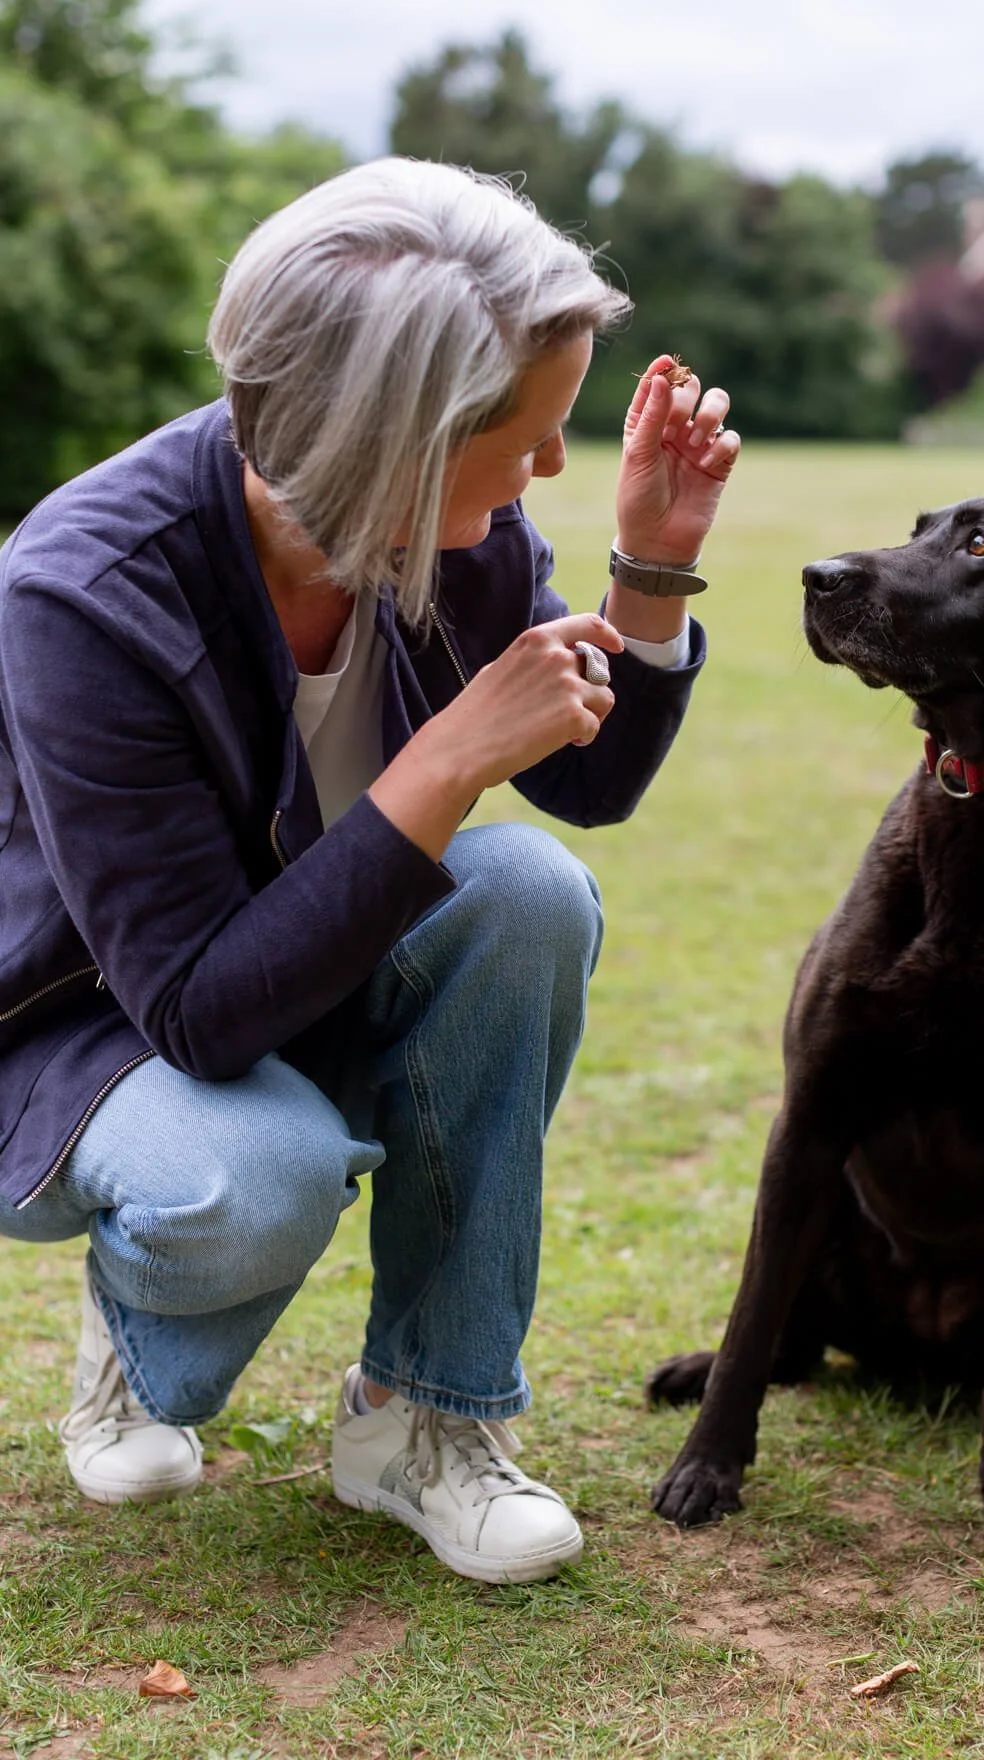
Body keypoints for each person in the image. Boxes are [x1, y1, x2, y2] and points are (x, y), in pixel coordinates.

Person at [0, 158, 737, 1584]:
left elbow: (587, 782)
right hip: (82, 1040)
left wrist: (646, 568)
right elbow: (197, 1010)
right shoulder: (83, 590)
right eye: (527, 436)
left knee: (530, 897)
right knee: (249, 1177)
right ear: (393, 434)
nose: (551, 474)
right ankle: (134, 1338)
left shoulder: (454, 537)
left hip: (302, 975)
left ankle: (426, 1419)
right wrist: (444, 761)